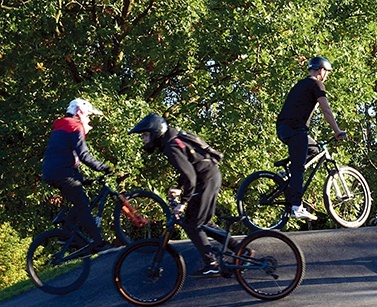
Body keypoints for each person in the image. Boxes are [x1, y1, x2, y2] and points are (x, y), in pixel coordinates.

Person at [129, 114, 246, 278]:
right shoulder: (172, 139)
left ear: (155, 133)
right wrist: (178, 188)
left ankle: (212, 264)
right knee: (201, 222)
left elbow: (190, 176)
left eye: (145, 135)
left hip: (206, 180)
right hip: (209, 177)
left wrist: (183, 203)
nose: (143, 140)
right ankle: (243, 251)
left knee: (193, 224)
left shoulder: (170, 147)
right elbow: (188, 169)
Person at [276, 55, 346, 221]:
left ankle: (284, 176)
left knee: (314, 150)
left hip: (285, 128)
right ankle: (296, 207)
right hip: (295, 130)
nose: (327, 76)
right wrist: (336, 130)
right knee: (298, 167)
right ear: (321, 70)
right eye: (327, 72)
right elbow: (326, 110)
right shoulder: (316, 84)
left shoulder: (301, 84)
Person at [42, 98, 115, 253]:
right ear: (80, 113)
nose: (89, 119)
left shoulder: (62, 126)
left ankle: (67, 234)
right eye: (88, 115)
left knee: (80, 200)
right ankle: (99, 244)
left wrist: (82, 179)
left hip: (52, 172)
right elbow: (83, 156)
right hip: (62, 173)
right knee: (83, 207)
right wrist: (103, 168)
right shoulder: (75, 126)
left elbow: (62, 156)